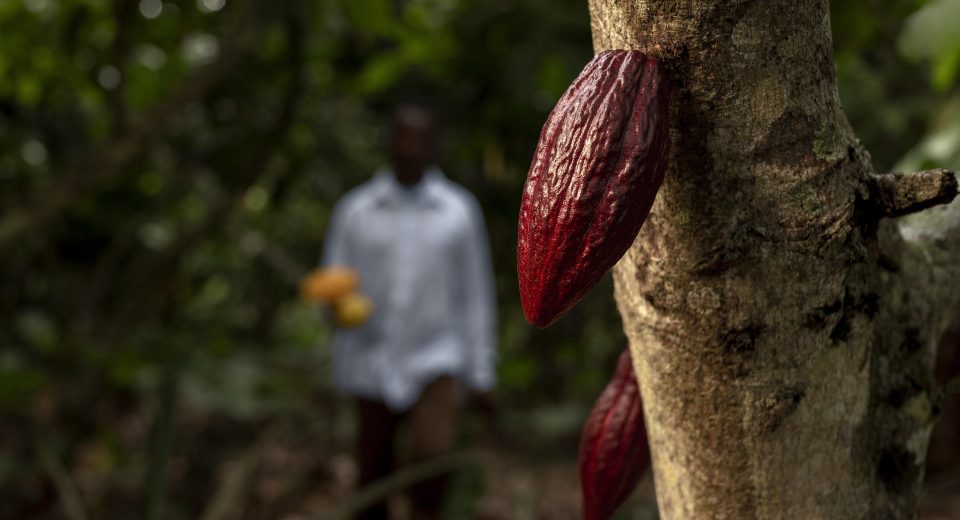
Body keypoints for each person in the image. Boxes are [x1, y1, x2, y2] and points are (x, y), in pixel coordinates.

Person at [321, 103, 497, 519]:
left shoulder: (458, 211)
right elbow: (333, 282)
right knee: (373, 470)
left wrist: (482, 371)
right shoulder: (356, 211)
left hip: (437, 357)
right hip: (369, 359)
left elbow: (475, 293)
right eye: (404, 137)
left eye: (422, 139)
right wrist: (337, 311)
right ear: (390, 141)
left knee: (433, 463)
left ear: (434, 146)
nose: (412, 147)